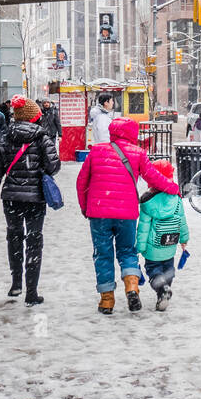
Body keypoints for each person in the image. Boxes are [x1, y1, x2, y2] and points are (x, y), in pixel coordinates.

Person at [75, 117, 180, 314]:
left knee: (103, 254)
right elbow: (154, 178)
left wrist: (85, 207)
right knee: (127, 251)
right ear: (133, 134)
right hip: (126, 213)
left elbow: (82, 182)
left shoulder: (97, 150)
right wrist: (173, 188)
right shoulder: (138, 153)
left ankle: (107, 300)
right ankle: (132, 287)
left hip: (98, 212)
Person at [0, 95, 61, 305]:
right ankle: (32, 292)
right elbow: (54, 167)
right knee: (34, 241)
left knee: (14, 238)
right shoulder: (42, 138)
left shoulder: (3, 138)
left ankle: (16, 283)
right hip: (36, 198)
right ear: (34, 116)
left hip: (11, 198)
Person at [136, 160, 190, 311]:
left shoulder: (148, 201)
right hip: (170, 245)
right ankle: (165, 289)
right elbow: (182, 221)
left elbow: (143, 228)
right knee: (168, 270)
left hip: (153, 248)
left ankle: (162, 290)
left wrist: (139, 247)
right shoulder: (176, 199)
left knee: (154, 270)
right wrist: (184, 239)